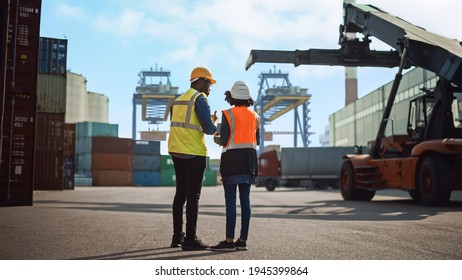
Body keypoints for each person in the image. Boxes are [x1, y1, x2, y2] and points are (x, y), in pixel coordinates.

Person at [168, 67, 218, 251]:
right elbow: (208, 129)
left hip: (176, 150)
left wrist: (207, 121)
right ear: (199, 82)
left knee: (180, 194)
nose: (210, 87)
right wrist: (215, 125)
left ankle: (177, 237)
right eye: (209, 82)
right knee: (193, 196)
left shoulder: (178, 100)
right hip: (194, 152)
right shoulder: (200, 98)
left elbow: (182, 123)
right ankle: (190, 238)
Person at [210, 81, 260, 252]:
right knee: (245, 201)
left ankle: (229, 240)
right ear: (248, 98)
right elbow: (257, 140)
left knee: (230, 201)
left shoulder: (227, 114)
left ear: (231, 97)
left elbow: (223, 140)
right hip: (249, 161)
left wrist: (215, 131)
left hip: (231, 160)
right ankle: (243, 240)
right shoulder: (255, 116)